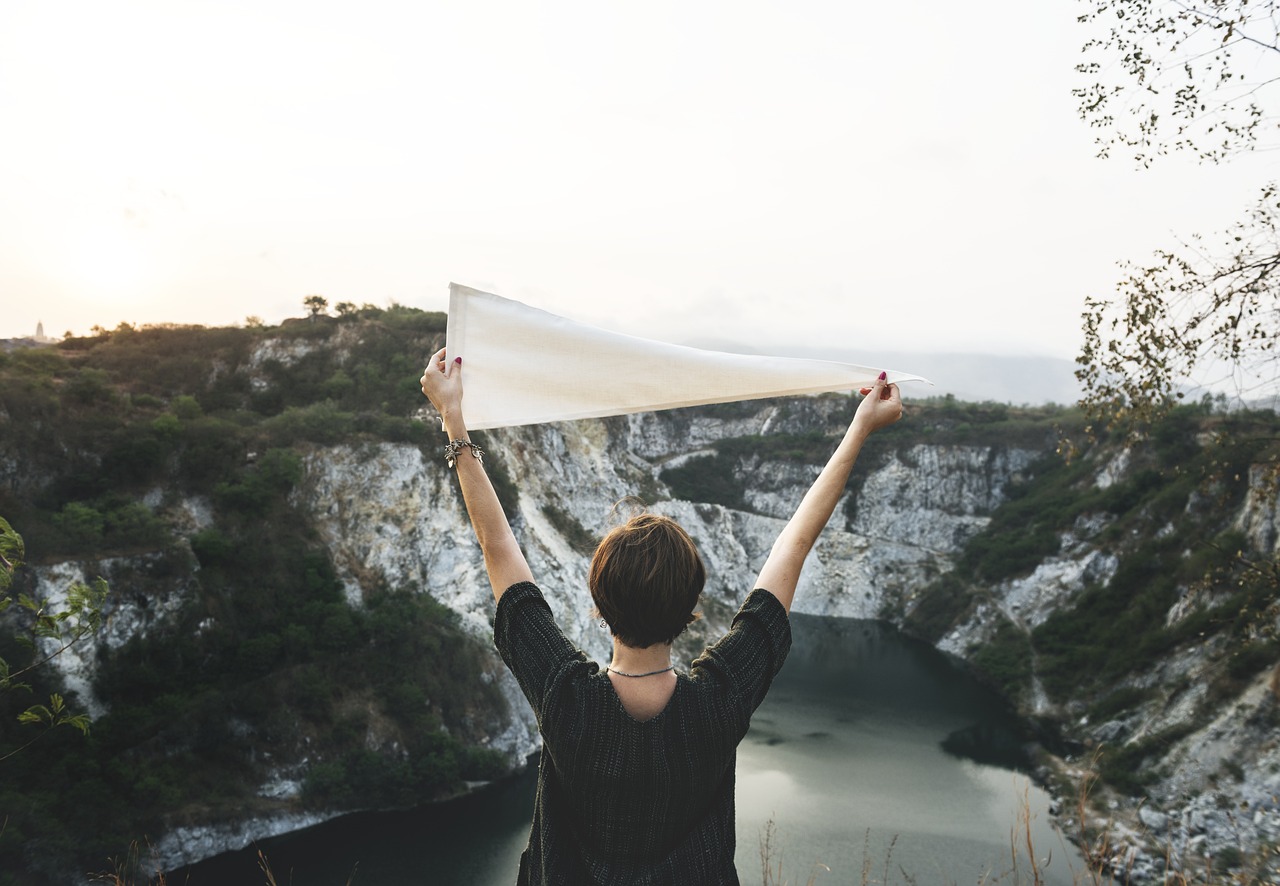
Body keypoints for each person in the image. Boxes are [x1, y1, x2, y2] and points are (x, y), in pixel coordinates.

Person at [419, 349, 902, 885]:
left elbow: (498, 548)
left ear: (599, 605)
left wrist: (453, 420)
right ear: (691, 610)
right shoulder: (719, 700)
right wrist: (859, 429)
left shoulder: (565, 699)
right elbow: (794, 547)